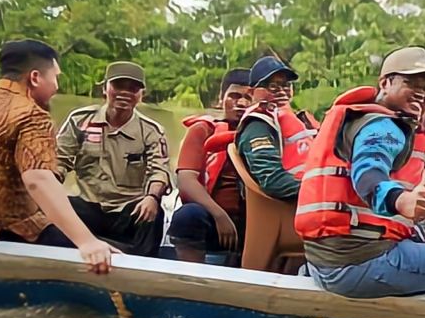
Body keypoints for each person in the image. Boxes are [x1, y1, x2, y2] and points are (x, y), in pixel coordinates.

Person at [296, 46, 425, 298]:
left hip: (325, 258)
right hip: (357, 263)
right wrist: (401, 199)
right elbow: (368, 172)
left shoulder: (372, 117)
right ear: (386, 83)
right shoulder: (382, 127)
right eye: (411, 83)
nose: (421, 94)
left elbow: (422, 126)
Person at [0, 40, 114, 272]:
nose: (56, 86)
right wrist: (87, 242)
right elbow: (38, 179)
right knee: (110, 254)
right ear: (35, 78)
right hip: (9, 230)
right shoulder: (32, 114)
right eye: (55, 77)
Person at [55, 61, 171, 257]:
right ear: (105, 88)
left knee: (154, 214)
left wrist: (152, 197)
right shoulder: (80, 120)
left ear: (141, 95)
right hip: (89, 204)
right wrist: (48, 184)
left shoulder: (151, 131)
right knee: (53, 205)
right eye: (118, 86)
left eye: (133, 89)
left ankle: (137, 270)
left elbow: (159, 170)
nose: (125, 93)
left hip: (128, 210)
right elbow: (59, 160)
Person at [168, 69, 253, 263]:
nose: (241, 103)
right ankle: (191, 281)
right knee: (187, 216)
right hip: (214, 221)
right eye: (234, 96)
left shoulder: (267, 135)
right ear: (220, 99)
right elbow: (186, 180)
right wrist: (219, 216)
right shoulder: (203, 130)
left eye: (248, 98)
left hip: (255, 225)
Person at [234, 56, 317, 201]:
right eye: (272, 86)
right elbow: (272, 180)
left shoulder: (301, 121)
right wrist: (324, 191)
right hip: (290, 209)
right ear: (251, 92)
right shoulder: (257, 125)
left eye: (286, 86)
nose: (281, 91)